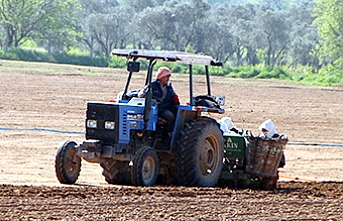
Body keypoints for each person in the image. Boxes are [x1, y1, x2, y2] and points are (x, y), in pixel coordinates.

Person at [139, 67, 180, 131]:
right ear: (161, 77)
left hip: (163, 108)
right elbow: (143, 92)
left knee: (171, 116)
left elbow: (173, 96)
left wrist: (175, 99)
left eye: (169, 77)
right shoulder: (153, 85)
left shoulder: (169, 87)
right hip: (151, 109)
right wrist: (142, 94)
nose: (168, 79)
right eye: (166, 77)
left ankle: (166, 132)